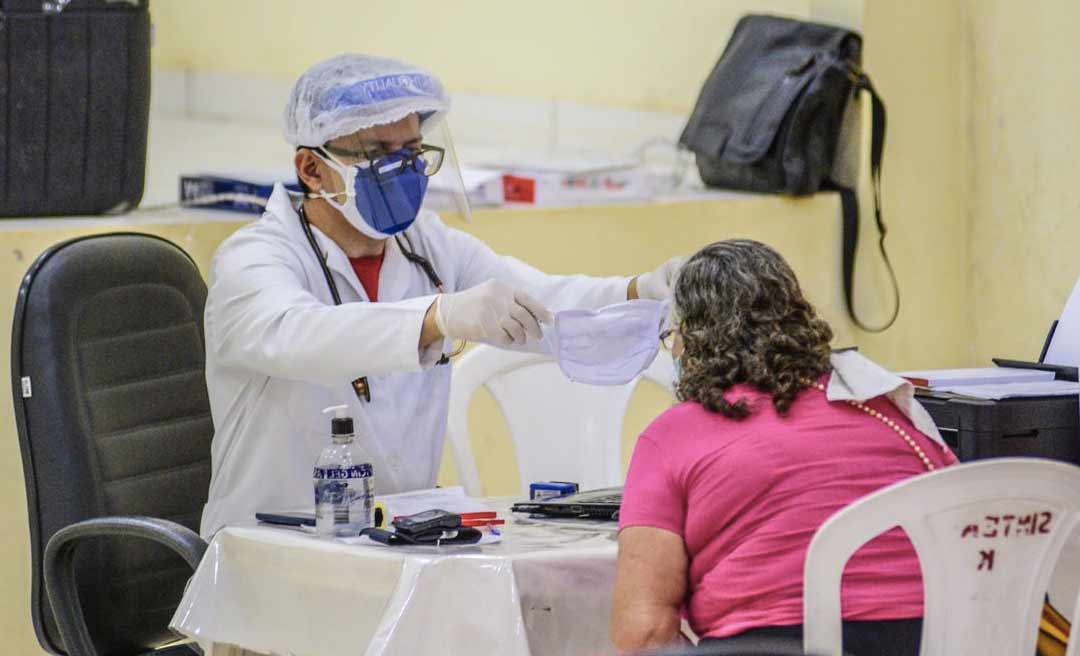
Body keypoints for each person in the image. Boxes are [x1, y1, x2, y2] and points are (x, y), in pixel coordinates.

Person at [199, 53, 684, 537]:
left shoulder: (426, 244)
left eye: (411, 152)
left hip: (396, 539)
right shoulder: (253, 258)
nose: (402, 170)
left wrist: (642, 293)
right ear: (311, 168)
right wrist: (437, 317)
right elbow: (293, 334)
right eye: (378, 154)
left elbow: (539, 301)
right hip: (267, 550)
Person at [610, 240, 957, 655]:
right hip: (935, 640)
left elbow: (644, 632)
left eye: (673, 338)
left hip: (770, 646)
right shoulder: (891, 410)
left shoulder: (672, 435)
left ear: (693, 339)